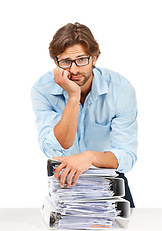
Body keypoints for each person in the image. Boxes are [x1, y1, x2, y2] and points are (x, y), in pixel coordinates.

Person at [31, 22, 138, 207]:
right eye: (65, 62)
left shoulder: (120, 89)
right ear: (56, 62)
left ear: (94, 58)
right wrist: (73, 96)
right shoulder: (42, 90)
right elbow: (56, 146)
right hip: (65, 182)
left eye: (81, 60)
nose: (73, 70)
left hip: (108, 180)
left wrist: (90, 157)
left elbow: (127, 155)